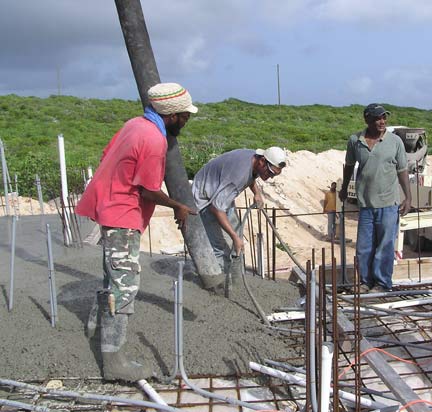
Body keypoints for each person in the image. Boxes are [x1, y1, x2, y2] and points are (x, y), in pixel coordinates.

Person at [76, 82, 198, 381]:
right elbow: (146, 189)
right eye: (185, 115)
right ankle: (114, 360)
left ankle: (95, 327)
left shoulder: (135, 124)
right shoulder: (154, 140)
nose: (187, 120)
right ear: (171, 116)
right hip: (122, 214)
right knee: (125, 285)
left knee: (112, 276)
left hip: (111, 206)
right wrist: (178, 206)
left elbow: (108, 154)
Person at [339, 104, 411, 293]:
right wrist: (344, 187)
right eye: (378, 118)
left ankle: (382, 283)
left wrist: (408, 198)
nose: (382, 122)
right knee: (364, 247)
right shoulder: (355, 140)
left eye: (384, 118)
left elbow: (402, 171)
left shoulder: (395, 142)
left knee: (385, 247)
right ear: (367, 120)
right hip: (365, 204)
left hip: (388, 204)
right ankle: (365, 282)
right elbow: (348, 165)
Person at [192, 147, 286, 275]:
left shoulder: (255, 159)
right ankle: (217, 283)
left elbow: (251, 175)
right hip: (206, 200)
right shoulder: (237, 176)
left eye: (274, 175)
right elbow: (216, 208)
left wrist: (257, 193)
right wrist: (234, 237)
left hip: (221, 196)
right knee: (220, 247)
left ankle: (234, 276)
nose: (270, 177)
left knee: (235, 243)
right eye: (270, 172)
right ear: (263, 161)